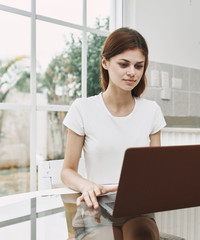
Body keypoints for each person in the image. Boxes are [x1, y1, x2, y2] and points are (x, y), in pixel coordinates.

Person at [61, 27, 166, 210]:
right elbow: (67, 171)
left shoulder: (152, 111)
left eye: (138, 66)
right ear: (105, 62)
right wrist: (86, 185)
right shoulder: (82, 109)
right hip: (97, 205)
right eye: (124, 64)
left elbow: (156, 170)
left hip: (140, 205)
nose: (132, 72)